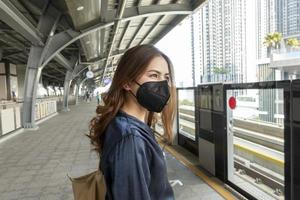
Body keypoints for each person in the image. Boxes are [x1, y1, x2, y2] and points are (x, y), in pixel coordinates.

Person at [88, 44, 177, 200]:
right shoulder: (130, 138)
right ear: (127, 82)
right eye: (154, 75)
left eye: (166, 78)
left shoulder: (125, 124)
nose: (162, 85)